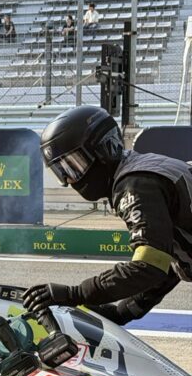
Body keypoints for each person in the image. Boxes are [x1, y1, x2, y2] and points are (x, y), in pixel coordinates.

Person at [23, 105, 192, 325]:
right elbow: (167, 261)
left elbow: (149, 266)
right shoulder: (144, 172)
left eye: (74, 165)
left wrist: (76, 293)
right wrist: (124, 311)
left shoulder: (136, 184)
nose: (69, 180)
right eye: (61, 171)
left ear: (105, 149)